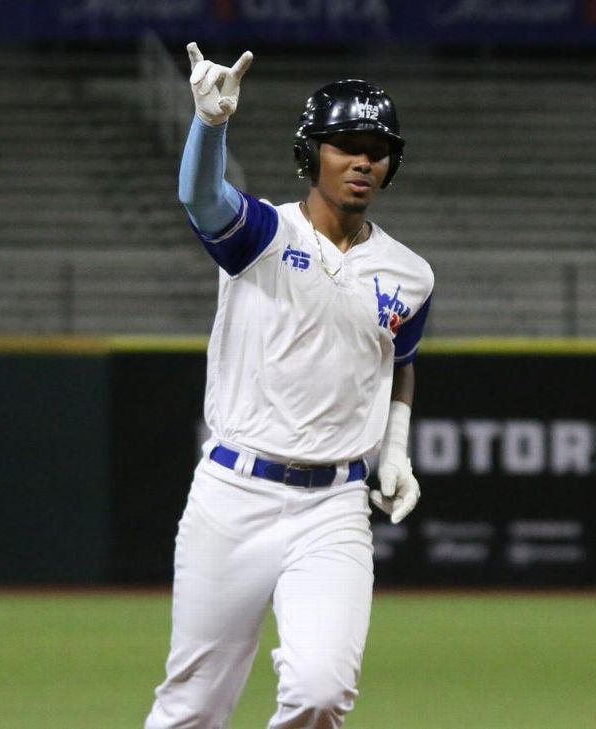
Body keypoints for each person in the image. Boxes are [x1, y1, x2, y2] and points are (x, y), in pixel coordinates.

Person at [143, 44, 434, 729]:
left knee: (321, 692)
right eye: (345, 145)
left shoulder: (411, 275)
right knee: (194, 705)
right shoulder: (264, 235)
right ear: (311, 154)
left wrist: (395, 448)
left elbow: (401, 359)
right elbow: (201, 197)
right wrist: (209, 125)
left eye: (377, 148)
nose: (363, 159)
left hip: (333, 505)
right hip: (234, 493)